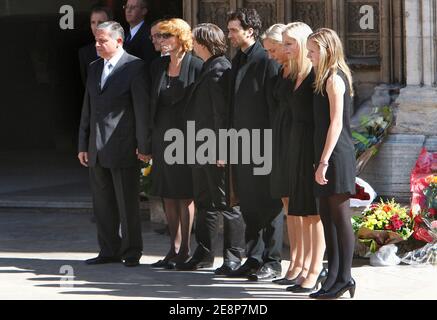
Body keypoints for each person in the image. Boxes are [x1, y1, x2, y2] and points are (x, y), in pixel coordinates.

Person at [78, 21, 150, 268]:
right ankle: (108, 249)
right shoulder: (94, 67)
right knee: (102, 204)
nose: (97, 45)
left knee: (127, 202)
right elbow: (88, 108)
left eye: (102, 41)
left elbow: (141, 109)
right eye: (96, 40)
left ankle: (131, 251)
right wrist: (82, 143)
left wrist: (144, 146)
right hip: (96, 147)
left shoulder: (135, 67)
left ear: (118, 41)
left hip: (123, 145)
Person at [176, 23, 245, 273]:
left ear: (203, 43)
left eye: (194, 41)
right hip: (200, 146)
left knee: (226, 202)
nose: (192, 45)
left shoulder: (219, 68)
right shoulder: (208, 67)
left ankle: (233, 257)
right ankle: (203, 254)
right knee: (204, 202)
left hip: (214, 147)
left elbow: (221, 114)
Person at [226, 8, 283, 281]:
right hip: (241, 145)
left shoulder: (266, 60)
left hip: (263, 145)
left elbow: (274, 108)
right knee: (248, 204)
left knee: (269, 206)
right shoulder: (238, 59)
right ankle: (254, 257)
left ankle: (272, 261)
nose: (230, 35)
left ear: (250, 30)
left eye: (234, 30)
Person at [274, 22, 327, 294]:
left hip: (309, 146)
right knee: (296, 209)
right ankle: (299, 264)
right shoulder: (292, 75)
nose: (285, 49)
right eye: (283, 43)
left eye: (289, 43)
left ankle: (315, 268)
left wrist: (321, 158)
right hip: (291, 143)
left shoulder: (316, 77)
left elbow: (326, 119)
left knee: (311, 213)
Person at [149, 18, 203, 269]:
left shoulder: (196, 65)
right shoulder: (157, 66)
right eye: (159, 37)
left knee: (185, 194)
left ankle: (186, 250)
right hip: (163, 137)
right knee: (168, 194)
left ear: (181, 38)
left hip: (187, 138)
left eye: (167, 37)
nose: (161, 42)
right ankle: (173, 247)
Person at [306, 28, 356, 299]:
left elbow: (336, 124)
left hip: (336, 157)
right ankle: (333, 275)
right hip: (324, 156)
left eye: (312, 50)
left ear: (326, 50)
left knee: (340, 218)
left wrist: (324, 161)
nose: (309, 55)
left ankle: (346, 277)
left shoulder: (334, 79)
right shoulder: (321, 77)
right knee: (327, 219)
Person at [78, 6, 112, 86]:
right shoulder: (84, 53)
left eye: (100, 22)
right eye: (93, 22)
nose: (96, 26)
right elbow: (86, 86)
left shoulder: (125, 50)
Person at [123, 0, 157, 66]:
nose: (128, 10)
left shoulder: (150, 34)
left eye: (133, 7)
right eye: (127, 7)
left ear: (144, 11)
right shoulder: (125, 35)